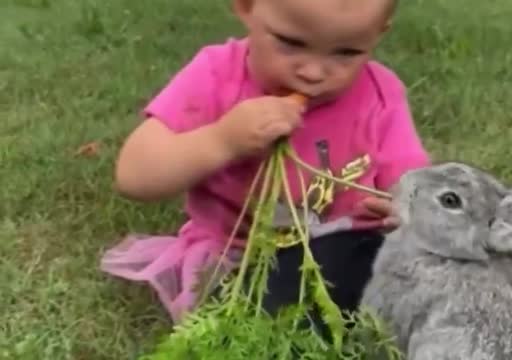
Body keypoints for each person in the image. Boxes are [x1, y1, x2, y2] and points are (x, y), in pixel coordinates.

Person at [101, 0, 430, 325]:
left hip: (348, 247)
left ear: (377, 35)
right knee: (261, 310)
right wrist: (221, 140)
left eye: (346, 53)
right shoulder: (217, 75)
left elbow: (413, 182)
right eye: (291, 43)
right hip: (240, 258)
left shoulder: (379, 92)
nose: (313, 73)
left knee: (394, 270)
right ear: (246, 7)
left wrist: (403, 207)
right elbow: (134, 175)